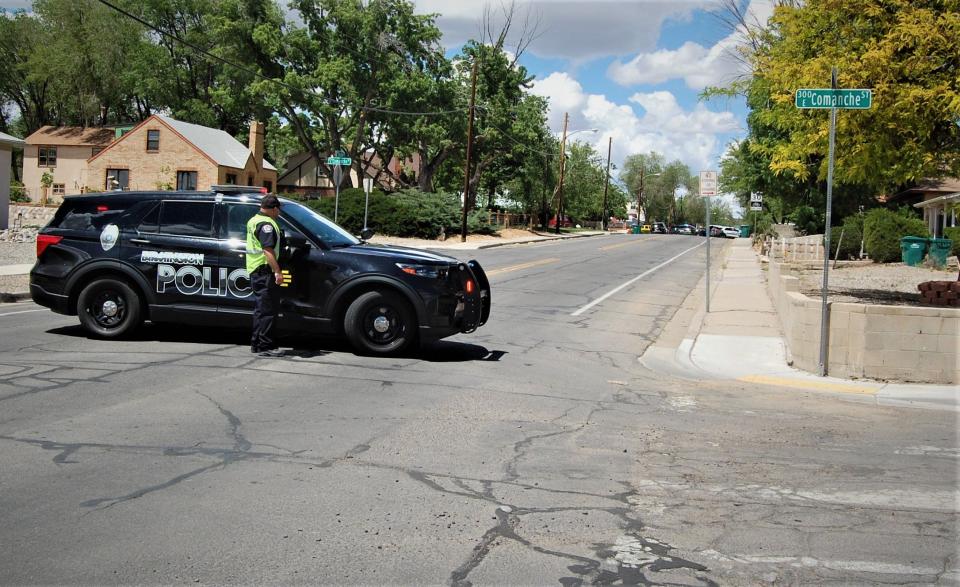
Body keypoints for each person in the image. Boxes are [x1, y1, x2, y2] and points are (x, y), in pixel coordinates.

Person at [246, 195, 285, 357]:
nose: (278, 213)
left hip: (256, 269)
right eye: (278, 210)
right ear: (274, 208)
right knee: (268, 310)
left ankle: (256, 343)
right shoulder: (266, 225)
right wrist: (277, 271)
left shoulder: (254, 219)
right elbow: (268, 251)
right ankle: (265, 346)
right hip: (265, 270)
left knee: (260, 310)